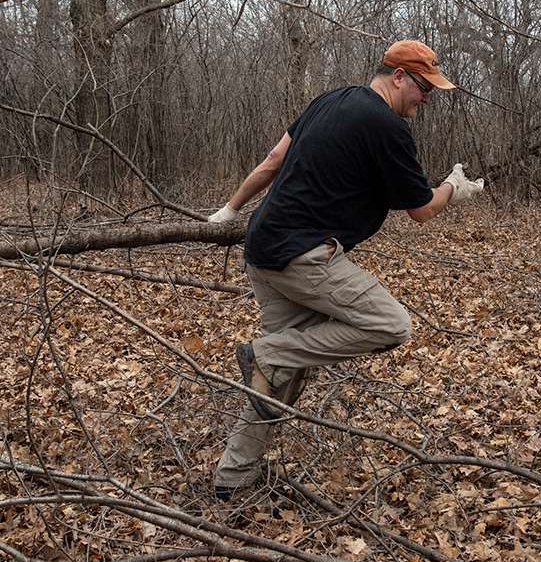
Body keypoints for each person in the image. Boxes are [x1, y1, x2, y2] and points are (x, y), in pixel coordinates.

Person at [207, 39, 484, 498]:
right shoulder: (387, 126)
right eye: (424, 87)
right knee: (390, 324)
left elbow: (273, 160)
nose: (428, 98)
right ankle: (268, 354)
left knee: (280, 374)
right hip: (302, 256)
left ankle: (231, 481)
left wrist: (231, 209)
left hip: (263, 247)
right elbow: (422, 211)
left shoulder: (330, 100)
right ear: (398, 77)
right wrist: (454, 187)